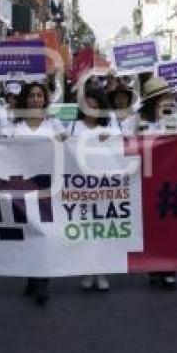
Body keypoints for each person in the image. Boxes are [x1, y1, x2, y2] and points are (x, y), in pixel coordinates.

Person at [123, 77, 177, 289]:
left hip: (171, 178)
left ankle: (169, 267)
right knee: (150, 225)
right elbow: (124, 143)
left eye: (169, 96)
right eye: (163, 97)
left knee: (171, 221)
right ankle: (154, 265)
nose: (168, 100)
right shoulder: (134, 121)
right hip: (144, 179)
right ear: (153, 100)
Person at [10, 82, 66, 305]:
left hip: (48, 187)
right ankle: (32, 276)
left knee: (45, 233)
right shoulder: (14, 127)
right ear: (25, 99)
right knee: (28, 233)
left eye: (39, 95)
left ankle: (42, 280)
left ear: (45, 99)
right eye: (31, 95)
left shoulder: (55, 125)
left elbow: (69, 150)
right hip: (21, 186)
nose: (35, 99)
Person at [70, 87, 120, 292]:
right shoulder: (73, 126)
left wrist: (109, 139)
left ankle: (102, 271)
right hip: (81, 187)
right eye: (87, 105)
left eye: (95, 105)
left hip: (105, 186)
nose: (91, 109)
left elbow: (122, 144)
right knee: (86, 229)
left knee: (104, 229)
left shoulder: (111, 126)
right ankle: (88, 270)